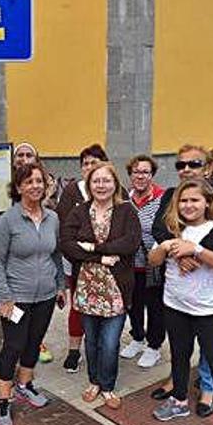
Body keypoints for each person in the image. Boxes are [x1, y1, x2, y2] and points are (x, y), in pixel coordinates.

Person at [150, 144, 213, 417]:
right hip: (175, 306)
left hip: (208, 311)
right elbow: (154, 260)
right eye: (184, 201)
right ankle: (179, 402)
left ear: (207, 202)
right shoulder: (175, 228)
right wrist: (167, 246)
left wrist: (197, 250)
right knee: (179, 356)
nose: (189, 205)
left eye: (195, 201)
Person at [0, 163, 66, 425]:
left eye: (39, 181)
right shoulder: (8, 220)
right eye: (29, 181)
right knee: (14, 346)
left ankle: (25, 384)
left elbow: (55, 254)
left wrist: (60, 285)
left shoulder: (52, 218)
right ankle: (3, 400)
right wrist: (6, 297)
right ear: (19, 187)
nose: (35, 186)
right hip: (16, 297)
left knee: (34, 342)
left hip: (45, 295)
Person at [60, 162, 141, 409]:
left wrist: (93, 247)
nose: (101, 185)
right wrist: (99, 258)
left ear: (115, 183)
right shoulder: (79, 212)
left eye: (106, 180)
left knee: (110, 342)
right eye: (96, 181)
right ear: (89, 185)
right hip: (87, 287)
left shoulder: (126, 211)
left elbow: (131, 243)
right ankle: (94, 381)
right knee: (92, 340)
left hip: (116, 288)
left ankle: (107, 386)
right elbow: (67, 243)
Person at [56, 143, 108, 373]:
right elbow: (63, 228)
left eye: (93, 162)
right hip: (78, 262)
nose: (88, 167)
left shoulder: (114, 189)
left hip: (108, 263)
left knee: (103, 306)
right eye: (85, 163)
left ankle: (101, 350)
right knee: (78, 305)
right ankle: (74, 351)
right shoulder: (72, 191)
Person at [119, 154, 167, 368]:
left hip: (153, 264)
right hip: (130, 264)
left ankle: (154, 346)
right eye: (136, 172)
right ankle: (138, 338)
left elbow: (167, 229)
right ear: (130, 175)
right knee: (133, 304)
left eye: (145, 172)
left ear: (152, 175)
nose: (140, 176)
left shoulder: (162, 198)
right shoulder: (124, 199)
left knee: (155, 306)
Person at [12, 142, 57, 363]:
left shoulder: (46, 187)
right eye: (19, 154)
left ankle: (36, 343)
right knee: (15, 335)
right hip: (16, 272)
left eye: (29, 154)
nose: (24, 158)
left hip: (41, 274)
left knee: (36, 321)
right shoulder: (10, 189)